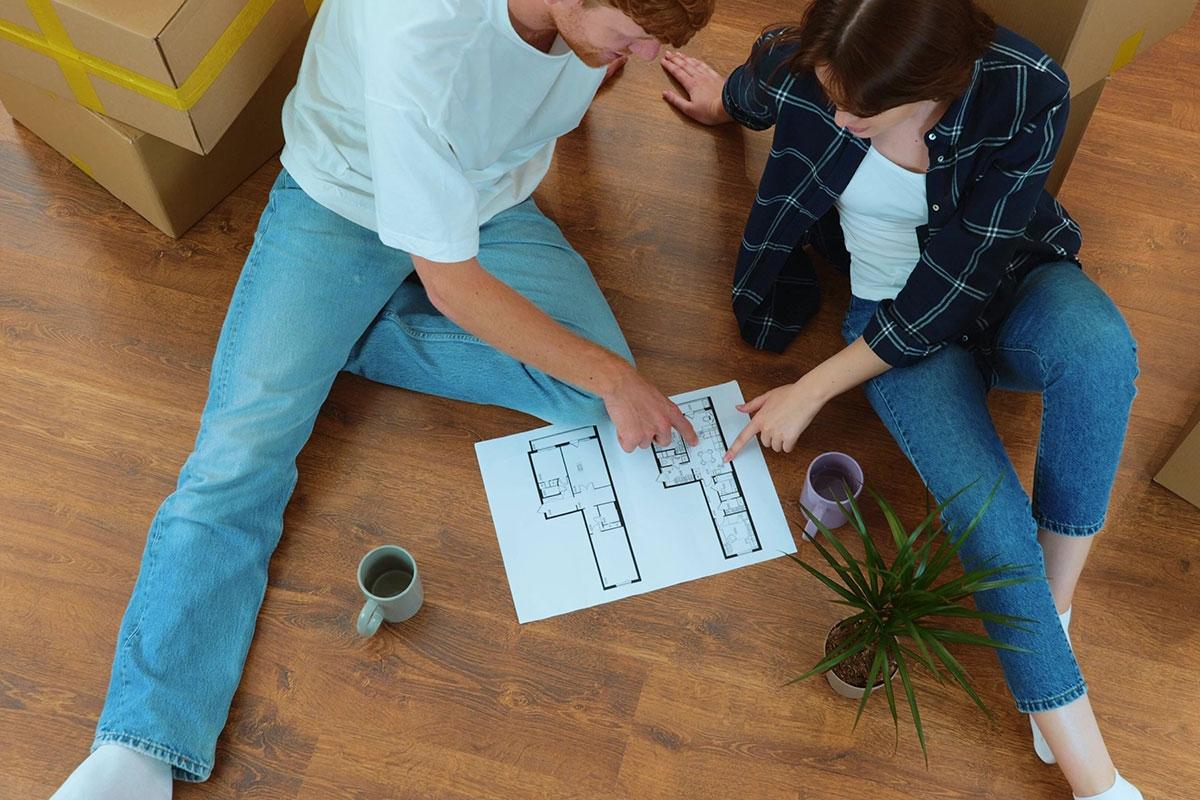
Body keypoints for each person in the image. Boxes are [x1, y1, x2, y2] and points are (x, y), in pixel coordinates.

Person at [50, 0, 714, 797]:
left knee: (583, 398)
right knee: (240, 457)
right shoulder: (424, 40)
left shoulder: (589, 26)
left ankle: (335, 339)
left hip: (487, 206)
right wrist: (613, 375)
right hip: (344, 203)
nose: (644, 56)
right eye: (632, 35)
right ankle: (142, 746)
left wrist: (607, 380)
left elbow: (559, 90)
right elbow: (452, 283)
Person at [661, 1, 1141, 799]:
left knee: (1100, 350)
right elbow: (760, 91)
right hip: (884, 319)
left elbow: (955, 284)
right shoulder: (811, 69)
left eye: (864, 109)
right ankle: (1099, 772)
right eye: (829, 95)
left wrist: (811, 390)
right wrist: (724, 104)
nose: (840, 116)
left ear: (936, 84)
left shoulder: (1026, 90)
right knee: (985, 519)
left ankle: (1052, 618)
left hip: (1006, 284)